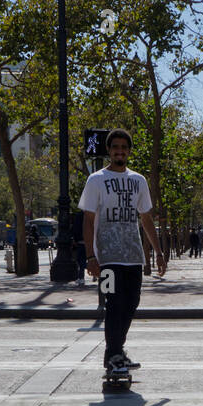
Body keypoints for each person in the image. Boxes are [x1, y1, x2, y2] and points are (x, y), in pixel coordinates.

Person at [79, 127, 166, 374]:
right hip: (106, 258)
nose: (120, 151)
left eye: (124, 148)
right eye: (115, 147)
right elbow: (87, 219)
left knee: (131, 304)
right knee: (113, 305)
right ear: (109, 150)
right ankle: (115, 354)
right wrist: (90, 256)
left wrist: (158, 253)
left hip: (133, 257)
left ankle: (115, 352)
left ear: (128, 151)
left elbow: (146, 219)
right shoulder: (95, 180)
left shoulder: (138, 181)